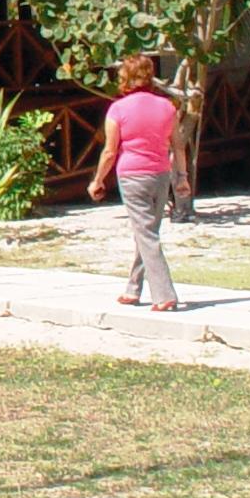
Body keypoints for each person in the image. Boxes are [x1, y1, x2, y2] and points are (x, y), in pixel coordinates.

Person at [86, 54, 185, 312]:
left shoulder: (117, 109)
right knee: (148, 230)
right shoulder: (168, 107)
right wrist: (182, 179)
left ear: (126, 79)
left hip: (132, 176)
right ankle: (133, 289)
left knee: (146, 233)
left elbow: (109, 151)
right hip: (161, 175)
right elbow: (178, 146)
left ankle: (164, 294)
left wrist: (97, 180)